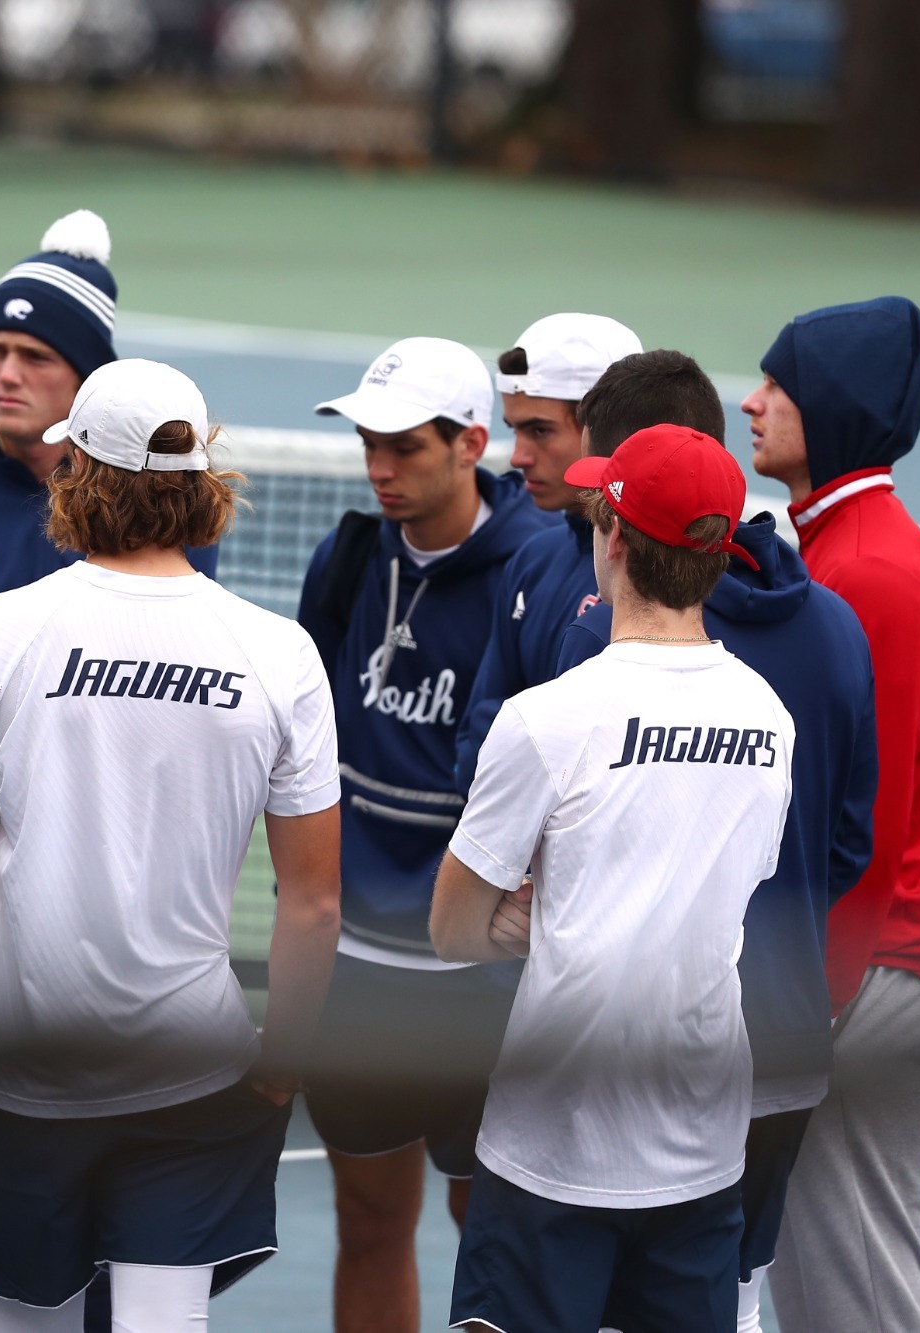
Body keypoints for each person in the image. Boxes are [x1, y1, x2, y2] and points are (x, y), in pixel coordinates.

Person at [0, 359, 343, 1332]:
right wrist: (285, 1054)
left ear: (71, 471)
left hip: (17, 1070)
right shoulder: (280, 656)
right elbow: (313, 901)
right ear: (199, 481)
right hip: (195, 1063)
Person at [0, 209, 217, 1333]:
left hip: (120, 947)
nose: (6, 373)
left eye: (36, 357)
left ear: (90, 380)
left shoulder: (158, 517)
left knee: (126, 1246)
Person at [431, 423, 795, 1333]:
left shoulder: (547, 720)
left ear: (617, 540)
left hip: (551, 1145)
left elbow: (450, 927)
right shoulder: (771, 720)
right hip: (704, 1150)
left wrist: (535, 917)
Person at [550, 349, 879, 1333]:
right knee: (729, 1296)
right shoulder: (834, 630)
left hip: (646, 1051)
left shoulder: (600, 651)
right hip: (783, 1034)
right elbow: (845, 847)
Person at [293, 336, 547, 1333]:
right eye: (368, 444)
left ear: (469, 442)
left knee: (486, 1224)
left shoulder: (530, 575)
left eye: (403, 446)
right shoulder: (349, 557)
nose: (379, 468)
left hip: (481, 983)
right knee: (366, 1218)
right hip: (354, 968)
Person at [741, 297, 920, 1333]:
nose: (749, 401)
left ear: (823, 404)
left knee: (855, 1298)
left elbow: (858, 823)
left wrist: (809, 1006)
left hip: (858, 975)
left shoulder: (865, 571)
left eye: (774, 385)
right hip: (848, 967)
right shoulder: (837, 544)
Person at [454, 312, 641, 785]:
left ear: (603, 429)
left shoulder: (673, 576)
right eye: (515, 430)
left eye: (539, 431)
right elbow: (477, 746)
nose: (517, 457)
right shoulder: (533, 562)